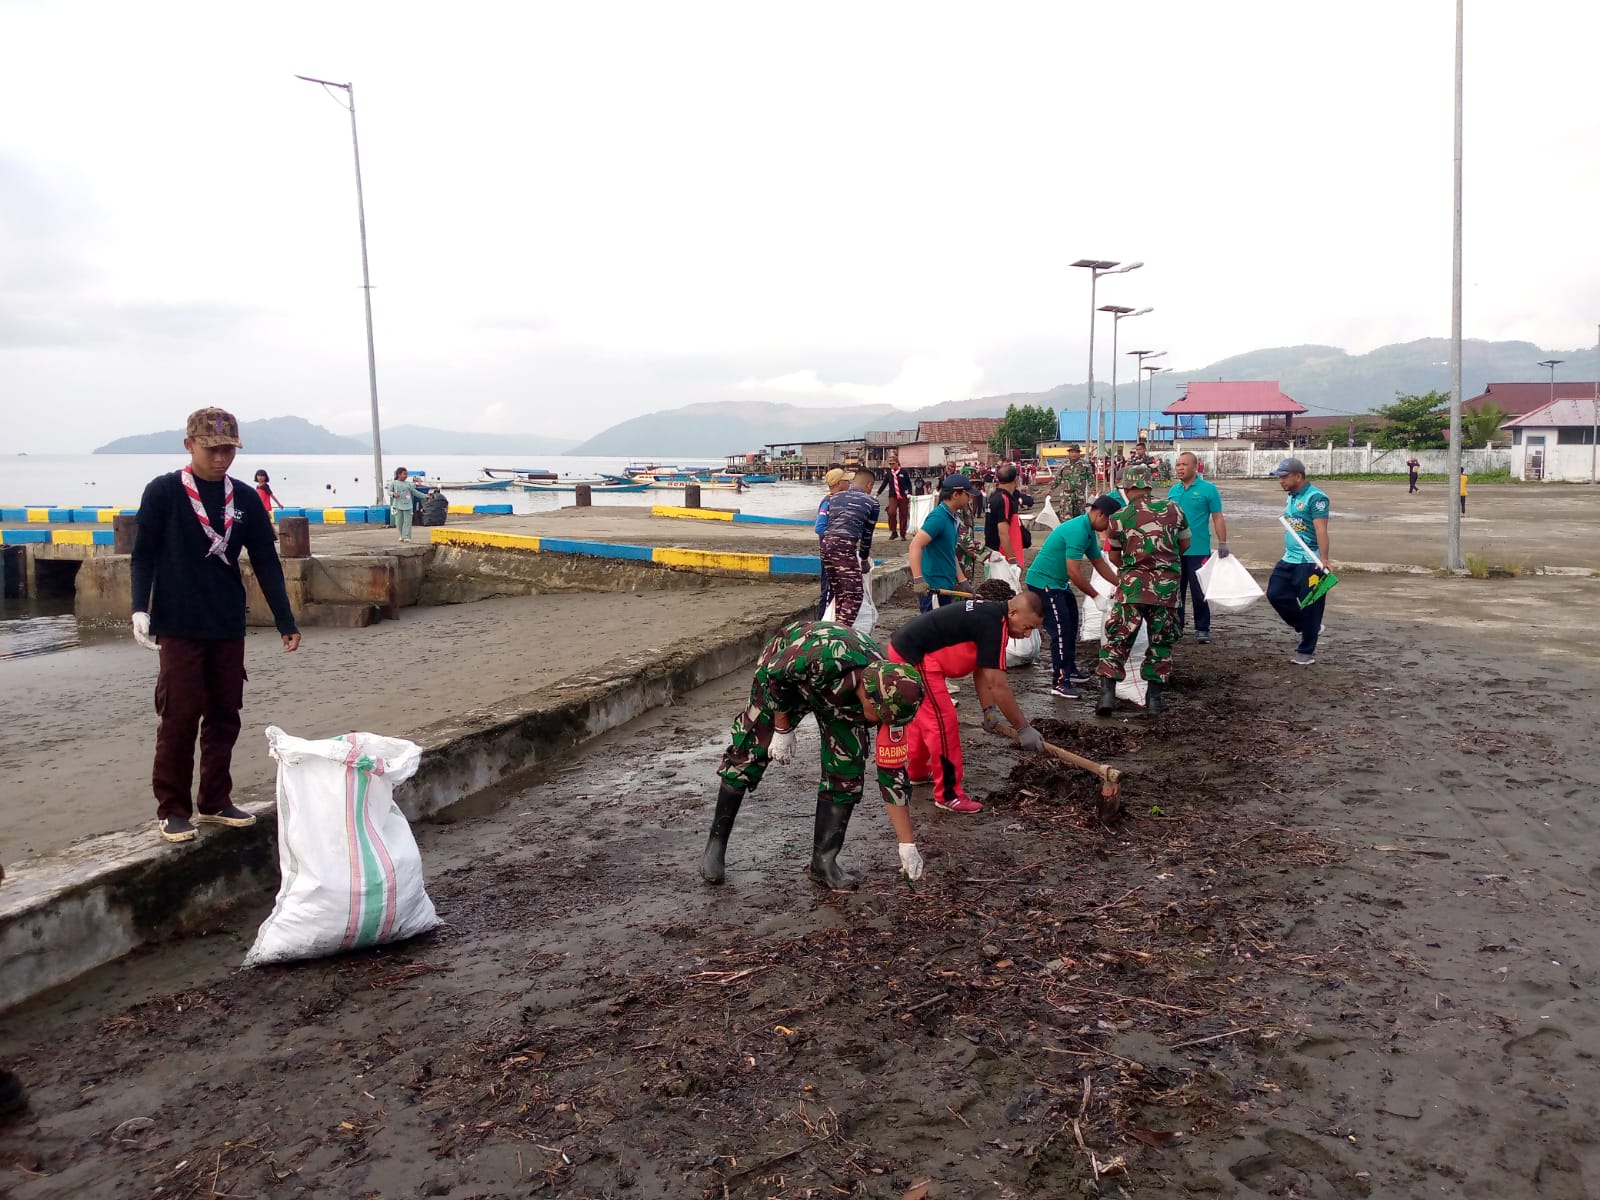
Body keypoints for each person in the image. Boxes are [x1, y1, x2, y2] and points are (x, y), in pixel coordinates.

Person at [131, 407, 301, 843]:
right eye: (212, 449)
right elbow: (143, 554)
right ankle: (172, 808)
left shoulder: (243, 498)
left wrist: (285, 619)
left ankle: (215, 800)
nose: (221, 458)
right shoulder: (164, 492)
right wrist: (139, 608)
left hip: (227, 622)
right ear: (189, 445)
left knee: (225, 715)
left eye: (228, 449)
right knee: (180, 715)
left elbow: (265, 559)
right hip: (179, 623)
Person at [699, 622, 925, 891]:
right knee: (748, 753)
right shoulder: (825, 657)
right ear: (868, 696)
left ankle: (823, 862)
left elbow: (893, 772)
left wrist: (906, 843)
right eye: (883, 718)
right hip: (785, 674)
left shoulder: (892, 700)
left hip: (839, 700)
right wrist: (782, 727)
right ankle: (716, 845)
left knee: (847, 770)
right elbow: (776, 675)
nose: (885, 725)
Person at [889, 589, 1048, 813]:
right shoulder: (994, 625)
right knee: (942, 724)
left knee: (925, 720)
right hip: (916, 656)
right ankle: (948, 794)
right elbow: (998, 685)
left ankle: (917, 772)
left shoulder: (995, 619)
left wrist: (988, 709)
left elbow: (982, 669)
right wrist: (1023, 728)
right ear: (1013, 612)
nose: (1026, 635)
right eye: (1028, 627)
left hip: (909, 649)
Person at [1095, 464, 1189, 717]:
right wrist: (1164, 562)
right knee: (1161, 642)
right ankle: (1155, 699)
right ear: (1150, 484)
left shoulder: (1119, 517)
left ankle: (1107, 695)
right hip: (1166, 590)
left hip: (1131, 590)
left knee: (1118, 640)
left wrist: (1132, 568)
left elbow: (1113, 555)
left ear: (1126, 487)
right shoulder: (1173, 509)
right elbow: (1185, 543)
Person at [1026, 495, 1122, 698]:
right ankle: (1060, 681)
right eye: (1109, 522)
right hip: (1044, 583)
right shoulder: (1078, 530)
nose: (1109, 528)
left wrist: (1121, 584)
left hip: (1058, 583)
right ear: (1100, 514)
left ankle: (1069, 669)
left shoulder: (1088, 530)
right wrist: (1096, 596)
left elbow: (1099, 563)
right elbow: (1074, 572)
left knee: (1071, 625)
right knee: (1060, 631)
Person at [1266, 457, 1332, 667]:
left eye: (1284, 477)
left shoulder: (1316, 498)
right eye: (1280, 477)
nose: (1281, 481)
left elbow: (1321, 529)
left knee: (1311, 605)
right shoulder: (1291, 496)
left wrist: (1324, 559)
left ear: (1298, 476)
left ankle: (1306, 650)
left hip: (1309, 560)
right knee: (1275, 593)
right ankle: (1305, 625)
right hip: (1289, 558)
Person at [1168, 451, 1229, 644]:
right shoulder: (1173, 492)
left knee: (1199, 591)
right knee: (1175, 591)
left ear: (1195, 467)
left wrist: (1223, 542)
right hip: (1176, 550)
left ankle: (1202, 628)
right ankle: (1176, 626)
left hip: (1198, 550)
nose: (1179, 468)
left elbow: (1217, 517)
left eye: (1184, 464)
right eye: (1177, 465)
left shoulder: (1208, 490)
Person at [819, 468, 879, 626]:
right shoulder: (872, 503)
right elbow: (867, 537)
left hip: (826, 545)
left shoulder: (834, 497)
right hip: (844, 546)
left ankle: (836, 627)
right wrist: (864, 560)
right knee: (855, 595)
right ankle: (841, 635)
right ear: (870, 485)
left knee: (840, 592)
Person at [908, 474, 975, 613]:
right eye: (968, 494)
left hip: (946, 587)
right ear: (956, 494)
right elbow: (915, 545)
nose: (970, 498)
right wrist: (918, 580)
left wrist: (962, 581)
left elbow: (950, 553)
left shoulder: (952, 518)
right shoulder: (938, 517)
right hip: (934, 589)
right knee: (933, 632)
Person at [814, 467, 849, 618]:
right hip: (830, 553)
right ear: (839, 483)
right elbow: (820, 527)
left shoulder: (840, 500)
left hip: (838, 553)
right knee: (828, 590)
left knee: (838, 590)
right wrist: (836, 539)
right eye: (846, 480)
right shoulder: (828, 502)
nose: (849, 482)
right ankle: (822, 622)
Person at [984, 462, 1028, 569]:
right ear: (1016, 480)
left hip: (992, 551)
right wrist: (1012, 559)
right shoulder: (1004, 499)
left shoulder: (994, 496)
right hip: (1001, 555)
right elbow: (1003, 532)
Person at [1048, 444, 1094, 520]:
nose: (1074, 454)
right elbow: (1057, 479)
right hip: (1066, 496)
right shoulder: (1064, 465)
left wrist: (1093, 489)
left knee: (1080, 518)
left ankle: (1079, 532)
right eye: (1072, 452)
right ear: (1069, 453)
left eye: (1076, 452)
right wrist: (1050, 490)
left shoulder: (1085, 465)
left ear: (1079, 453)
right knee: (1066, 518)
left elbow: (1091, 478)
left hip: (1079, 497)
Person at [876, 454, 914, 540]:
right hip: (893, 495)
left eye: (893, 463)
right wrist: (878, 493)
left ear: (897, 463)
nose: (891, 465)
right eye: (890, 464)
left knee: (903, 514)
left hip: (903, 495)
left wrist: (910, 493)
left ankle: (903, 534)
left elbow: (909, 483)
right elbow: (884, 484)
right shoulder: (889, 473)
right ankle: (893, 531)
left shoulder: (903, 472)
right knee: (891, 512)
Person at [388, 467, 421, 541]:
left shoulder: (408, 484)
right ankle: (401, 535)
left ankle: (407, 537)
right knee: (399, 522)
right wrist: (393, 494)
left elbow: (415, 492)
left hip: (408, 505)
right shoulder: (394, 483)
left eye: (406, 474)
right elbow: (389, 492)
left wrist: (425, 496)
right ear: (399, 474)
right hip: (397, 505)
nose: (406, 476)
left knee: (407, 522)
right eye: (404, 474)